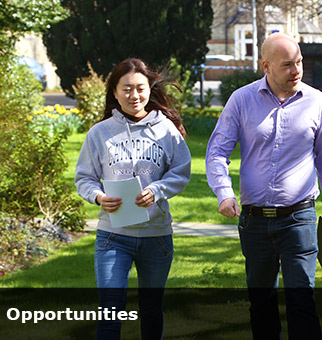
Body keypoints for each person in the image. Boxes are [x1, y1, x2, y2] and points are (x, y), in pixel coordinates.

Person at [205, 32, 322, 340]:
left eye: (299, 63)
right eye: (287, 65)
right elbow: (217, 152)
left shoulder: (316, 101)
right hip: (254, 221)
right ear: (266, 66)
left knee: (301, 302)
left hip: (300, 218)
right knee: (261, 304)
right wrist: (224, 192)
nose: (296, 71)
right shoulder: (241, 100)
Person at [75, 58, 191, 339]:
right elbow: (84, 178)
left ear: (149, 89)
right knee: (110, 312)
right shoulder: (99, 133)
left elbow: (181, 172)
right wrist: (99, 196)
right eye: (126, 89)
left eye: (140, 88)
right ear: (114, 92)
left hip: (156, 236)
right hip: (113, 236)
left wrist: (158, 190)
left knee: (151, 310)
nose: (134, 95)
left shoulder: (167, 131)